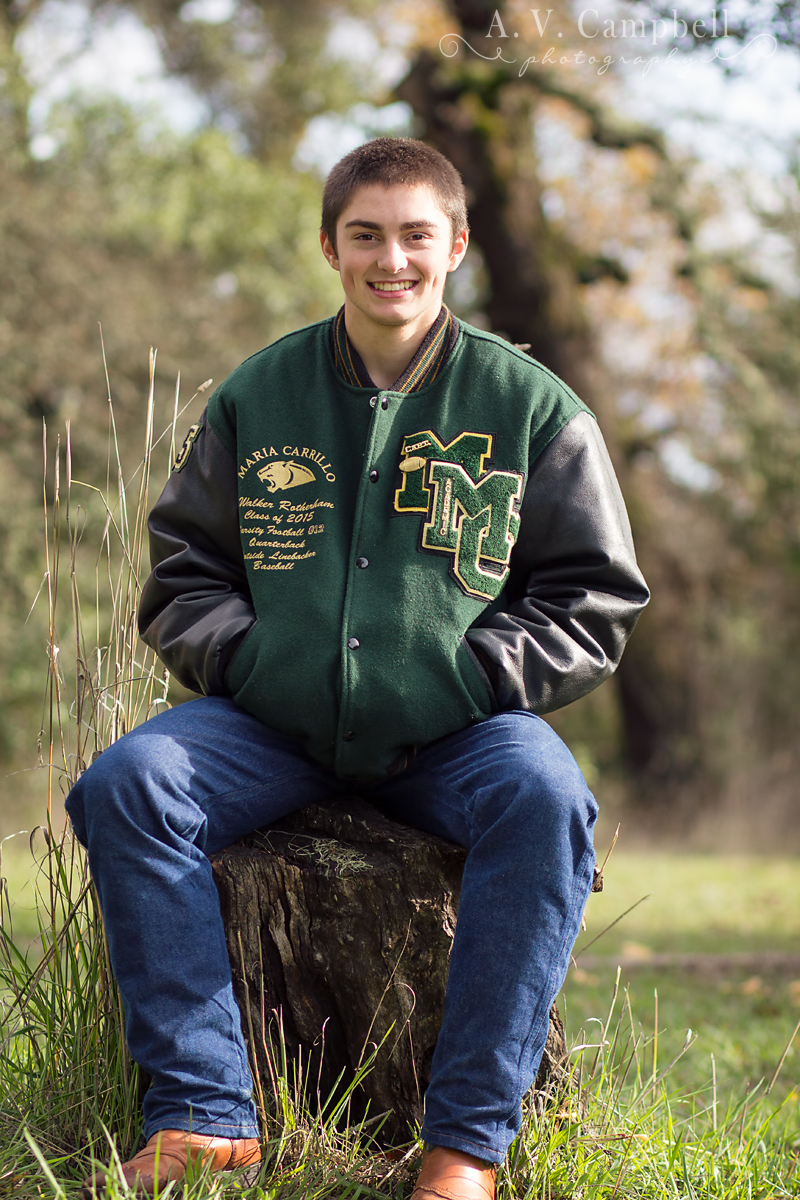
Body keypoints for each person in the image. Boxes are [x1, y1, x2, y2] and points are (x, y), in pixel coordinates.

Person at [67, 136, 649, 1199]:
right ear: (330, 247)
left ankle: (466, 1144)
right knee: (128, 786)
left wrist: (476, 677)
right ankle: (203, 1115)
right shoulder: (260, 394)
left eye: (415, 235)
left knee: (547, 800)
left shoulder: (531, 406)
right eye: (366, 235)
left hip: (460, 732)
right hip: (271, 727)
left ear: (456, 245)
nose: (392, 260)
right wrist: (256, 662)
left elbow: (594, 598)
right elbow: (185, 574)